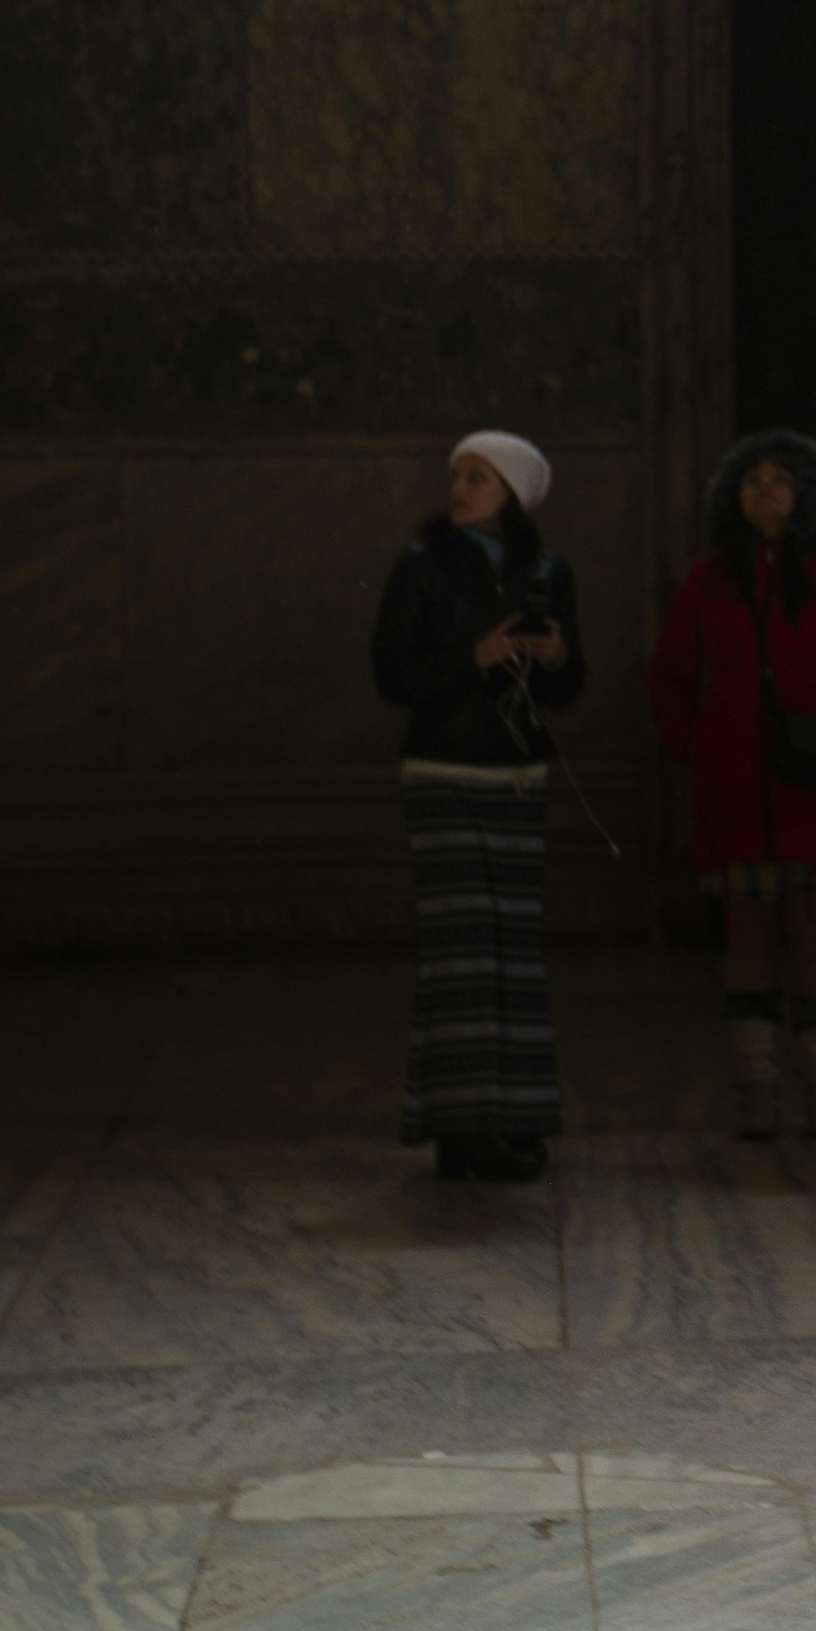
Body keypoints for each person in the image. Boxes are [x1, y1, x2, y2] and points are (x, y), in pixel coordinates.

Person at [646, 428, 816, 1140]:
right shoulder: (708, 581)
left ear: (806, 493)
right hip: (735, 790)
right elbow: (670, 674)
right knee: (747, 933)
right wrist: (693, 747)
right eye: (753, 478)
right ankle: (757, 1088)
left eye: (781, 478)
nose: (766, 488)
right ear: (732, 496)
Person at [372, 428, 585, 1185]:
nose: (458, 488)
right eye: (457, 474)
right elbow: (391, 673)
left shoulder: (548, 572)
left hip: (517, 774)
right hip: (443, 768)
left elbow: (567, 688)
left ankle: (516, 1117)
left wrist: (553, 656)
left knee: (514, 953)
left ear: (512, 494)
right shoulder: (421, 563)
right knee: (463, 951)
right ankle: (463, 1131)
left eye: (478, 477)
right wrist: (473, 658)